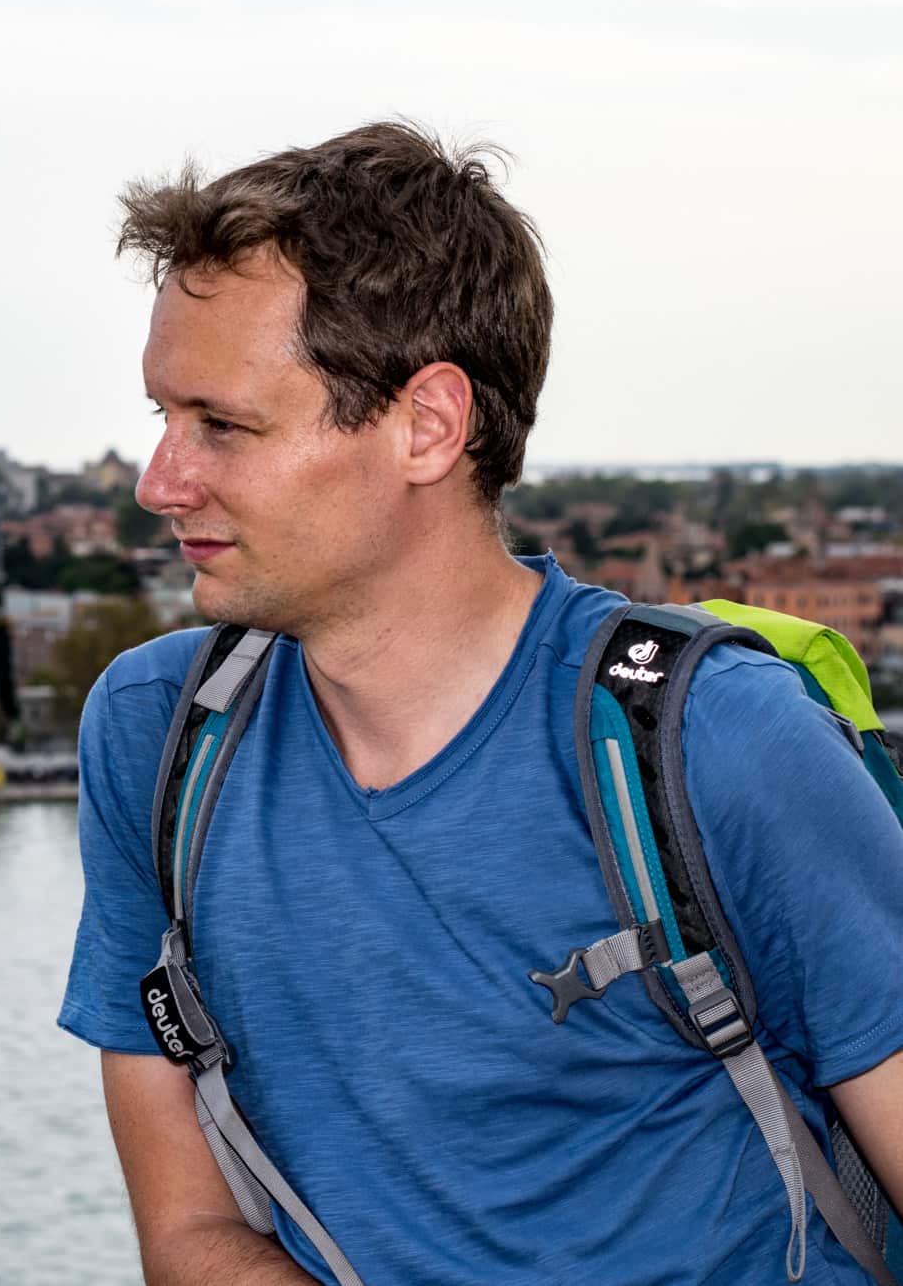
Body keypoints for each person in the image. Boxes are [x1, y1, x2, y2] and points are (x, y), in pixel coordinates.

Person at [58, 121, 903, 1284]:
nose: (161, 481)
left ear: (427, 425)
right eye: (161, 416)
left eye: (223, 425)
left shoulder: (715, 743)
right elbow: (191, 1236)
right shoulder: (159, 736)